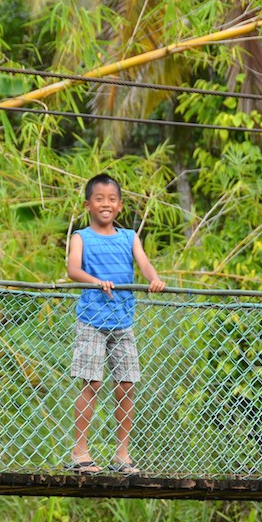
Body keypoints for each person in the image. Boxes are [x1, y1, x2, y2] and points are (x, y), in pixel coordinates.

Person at [66, 173, 165, 474]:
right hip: (92, 319)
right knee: (92, 382)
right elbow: (72, 269)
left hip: (123, 320)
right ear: (88, 205)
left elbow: (144, 262)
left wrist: (154, 279)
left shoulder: (129, 237)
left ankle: (122, 453)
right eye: (99, 199)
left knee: (125, 384)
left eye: (111, 200)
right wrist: (97, 282)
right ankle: (80, 451)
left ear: (119, 206)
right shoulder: (81, 237)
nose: (105, 205)